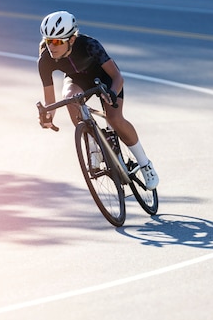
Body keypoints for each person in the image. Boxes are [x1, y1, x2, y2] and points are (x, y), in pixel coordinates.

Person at [37, 10, 159, 190]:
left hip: (105, 78)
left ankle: (145, 163)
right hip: (78, 80)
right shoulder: (45, 60)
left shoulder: (89, 45)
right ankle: (93, 144)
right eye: (48, 41)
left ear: (71, 40)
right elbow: (51, 102)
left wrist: (111, 92)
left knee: (114, 119)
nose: (51, 47)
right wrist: (48, 116)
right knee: (69, 97)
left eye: (57, 41)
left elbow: (117, 77)